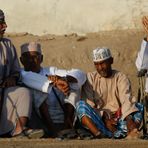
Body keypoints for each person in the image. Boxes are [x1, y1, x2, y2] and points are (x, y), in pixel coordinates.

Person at [19, 42, 86, 138]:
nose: (30, 60)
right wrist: (54, 82)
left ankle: (67, 124)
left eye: (35, 57)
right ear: (21, 60)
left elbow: (80, 73)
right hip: (40, 119)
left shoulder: (51, 71)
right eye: (27, 57)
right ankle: (52, 130)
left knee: (74, 86)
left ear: (41, 58)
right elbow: (28, 77)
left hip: (62, 114)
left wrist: (65, 79)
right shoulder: (20, 73)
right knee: (37, 89)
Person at [76, 47, 143, 139]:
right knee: (81, 106)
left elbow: (126, 100)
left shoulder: (121, 77)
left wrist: (129, 120)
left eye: (103, 63)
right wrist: (105, 119)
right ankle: (98, 134)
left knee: (139, 106)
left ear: (111, 61)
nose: (100, 68)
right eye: (97, 64)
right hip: (100, 121)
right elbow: (90, 106)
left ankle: (127, 132)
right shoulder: (90, 78)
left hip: (119, 121)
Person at [0, 9, 43, 138]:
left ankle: (20, 129)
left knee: (23, 92)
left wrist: (12, 78)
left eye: (4, 22)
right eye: (1, 23)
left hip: (4, 90)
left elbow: (16, 71)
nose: (5, 26)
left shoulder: (7, 45)